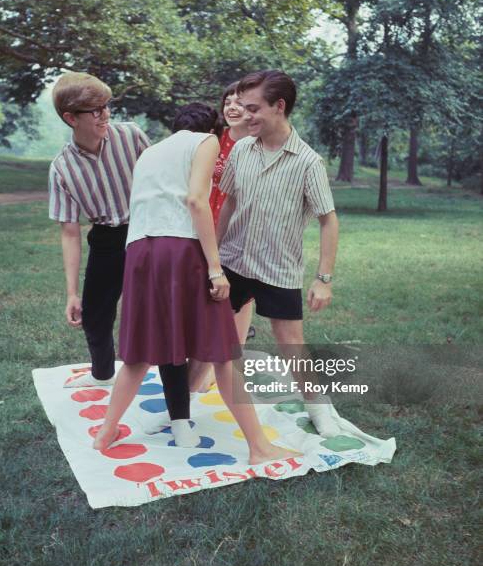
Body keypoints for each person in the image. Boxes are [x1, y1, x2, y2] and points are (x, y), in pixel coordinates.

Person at [93, 103, 302, 463]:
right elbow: (195, 200)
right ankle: (259, 447)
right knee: (224, 353)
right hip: (181, 250)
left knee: (139, 353)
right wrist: (215, 267)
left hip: (140, 253)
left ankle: (106, 432)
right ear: (211, 128)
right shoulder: (206, 142)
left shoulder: (151, 152)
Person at [48, 72, 194, 437]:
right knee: (95, 320)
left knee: (162, 323)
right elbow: (69, 230)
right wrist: (71, 291)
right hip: (106, 240)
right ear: (71, 117)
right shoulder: (62, 168)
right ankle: (101, 375)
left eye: (107, 107)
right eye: (95, 111)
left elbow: (166, 182)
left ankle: (179, 415)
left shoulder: (131, 136)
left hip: (148, 232)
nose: (105, 116)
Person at [204, 69, 343, 437]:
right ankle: (185, 398)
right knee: (209, 331)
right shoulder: (241, 151)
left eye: (253, 108)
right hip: (233, 262)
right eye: (241, 107)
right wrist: (213, 258)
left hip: (278, 270)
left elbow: (329, 221)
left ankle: (319, 408)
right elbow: (229, 203)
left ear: (279, 107)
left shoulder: (307, 162)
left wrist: (323, 279)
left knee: (291, 344)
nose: (243, 115)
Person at [189, 82, 254, 392]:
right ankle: (208, 359)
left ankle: (230, 360)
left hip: (242, 224)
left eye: (239, 102)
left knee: (240, 296)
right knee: (212, 289)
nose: (232, 107)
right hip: (211, 220)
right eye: (227, 101)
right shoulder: (216, 140)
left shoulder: (257, 144)